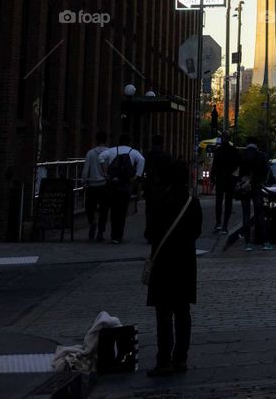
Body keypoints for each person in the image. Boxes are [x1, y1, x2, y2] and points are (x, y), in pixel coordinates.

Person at [145, 159, 203, 378]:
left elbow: (149, 233)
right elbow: (197, 231)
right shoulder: (192, 202)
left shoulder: (159, 201)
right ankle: (181, 358)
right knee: (183, 312)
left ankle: (164, 360)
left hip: (163, 262)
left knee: (163, 313)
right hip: (186, 262)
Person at [104, 137, 145, 244]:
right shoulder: (133, 152)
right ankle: (119, 235)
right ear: (129, 142)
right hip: (126, 186)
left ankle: (113, 235)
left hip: (114, 185)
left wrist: (105, 172)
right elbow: (142, 160)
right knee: (122, 211)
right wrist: (137, 176)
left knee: (114, 211)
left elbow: (101, 157)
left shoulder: (112, 150)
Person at [238, 139, 270, 252]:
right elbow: (265, 171)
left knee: (246, 214)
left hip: (245, 187)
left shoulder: (242, 155)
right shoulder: (261, 156)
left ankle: (247, 243)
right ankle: (264, 242)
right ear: (256, 145)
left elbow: (238, 172)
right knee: (260, 214)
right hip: (256, 186)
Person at [80, 130, 110, 242]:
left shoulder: (90, 153)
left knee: (89, 207)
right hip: (104, 185)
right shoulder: (110, 152)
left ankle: (92, 222)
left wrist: (83, 182)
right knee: (104, 209)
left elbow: (85, 169)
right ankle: (101, 232)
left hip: (92, 185)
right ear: (106, 140)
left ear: (96, 140)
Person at [143, 135, 173, 238]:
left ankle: (149, 231)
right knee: (161, 211)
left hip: (150, 188)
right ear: (162, 143)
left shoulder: (148, 155)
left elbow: (145, 171)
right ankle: (159, 231)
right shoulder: (167, 156)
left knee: (149, 210)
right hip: (163, 189)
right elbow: (170, 173)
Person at [210, 132, 240, 234]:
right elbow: (237, 165)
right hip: (229, 179)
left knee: (219, 201)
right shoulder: (233, 151)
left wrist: (212, 179)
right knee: (228, 202)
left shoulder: (218, 151)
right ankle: (225, 226)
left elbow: (214, 166)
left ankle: (218, 223)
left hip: (220, 178)